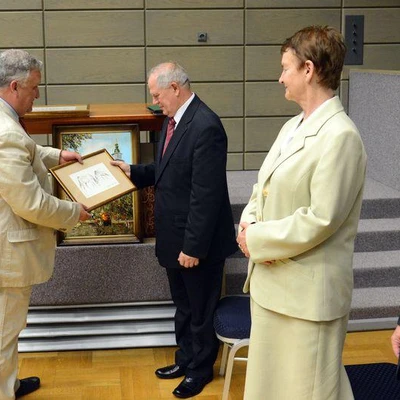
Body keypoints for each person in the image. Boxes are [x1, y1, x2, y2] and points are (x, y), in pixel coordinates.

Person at [237, 26, 367, 399]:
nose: (280, 78)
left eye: (285, 68)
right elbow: (262, 187)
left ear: (308, 70)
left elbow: (320, 219)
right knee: (271, 388)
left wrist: (255, 238)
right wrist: (248, 220)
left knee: (308, 391)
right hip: (273, 288)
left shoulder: (341, 136)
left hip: (308, 299)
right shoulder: (292, 126)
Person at [112, 61, 237, 398]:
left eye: (157, 95)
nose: (156, 103)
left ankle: (200, 370)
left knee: (200, 309)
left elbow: (206, 195)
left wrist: (194, 247)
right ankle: (186, 359)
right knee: (183, 306)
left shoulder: (206, 126)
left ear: (175, 88)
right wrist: (131, 170)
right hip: (175, 238)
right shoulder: (174, 121)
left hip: (197, 244)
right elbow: (166, 169)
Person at [0, 49, 91, 399]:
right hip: (9, 251)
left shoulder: (7, 122)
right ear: (14, 86)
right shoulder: (7, 131)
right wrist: (73, 212)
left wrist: (57, 155)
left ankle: (10, 383)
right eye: (34, 88)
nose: (38, 95)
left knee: (8, 328)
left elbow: (26, 153)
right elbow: (31, 203)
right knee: (6, 330)